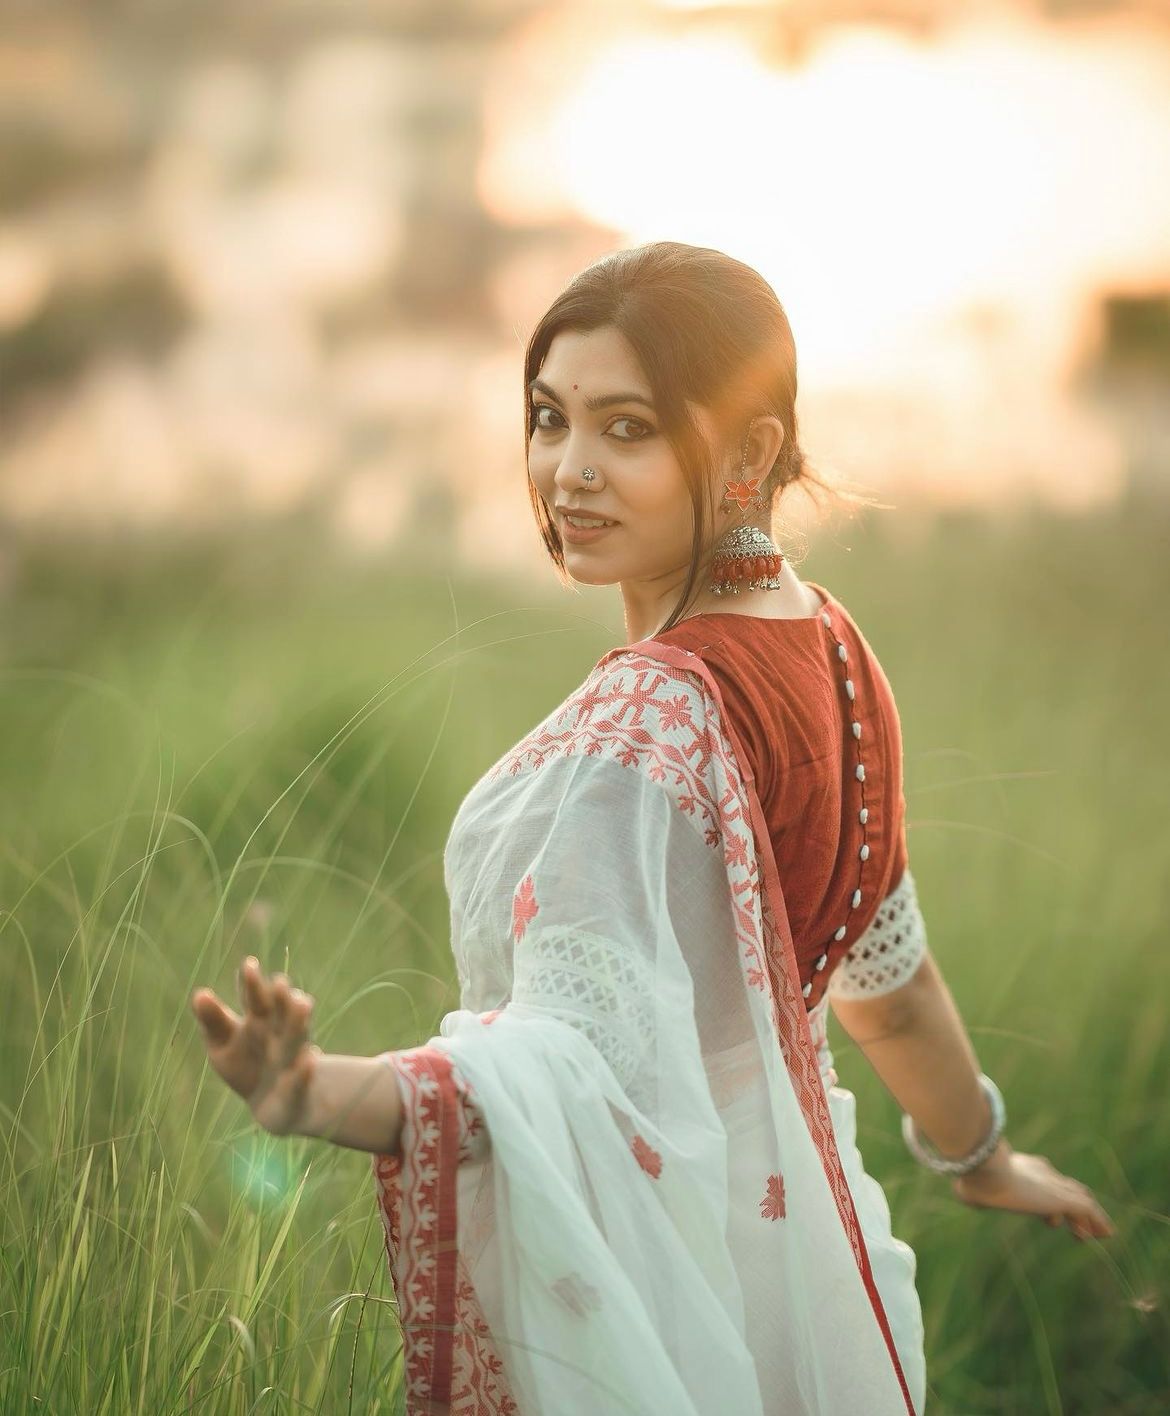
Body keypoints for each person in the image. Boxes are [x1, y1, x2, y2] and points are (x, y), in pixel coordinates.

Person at [191, 242, 1115, 1415]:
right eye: (549, 418)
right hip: (823, 1275)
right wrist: (980, 1156)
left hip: (680, 1285)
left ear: (747, 453)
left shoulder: (648, 730)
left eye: (626, 429)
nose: (568, 472)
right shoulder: (833, 647)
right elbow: (889, 981)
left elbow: (562, 1077)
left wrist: (318, 1095)